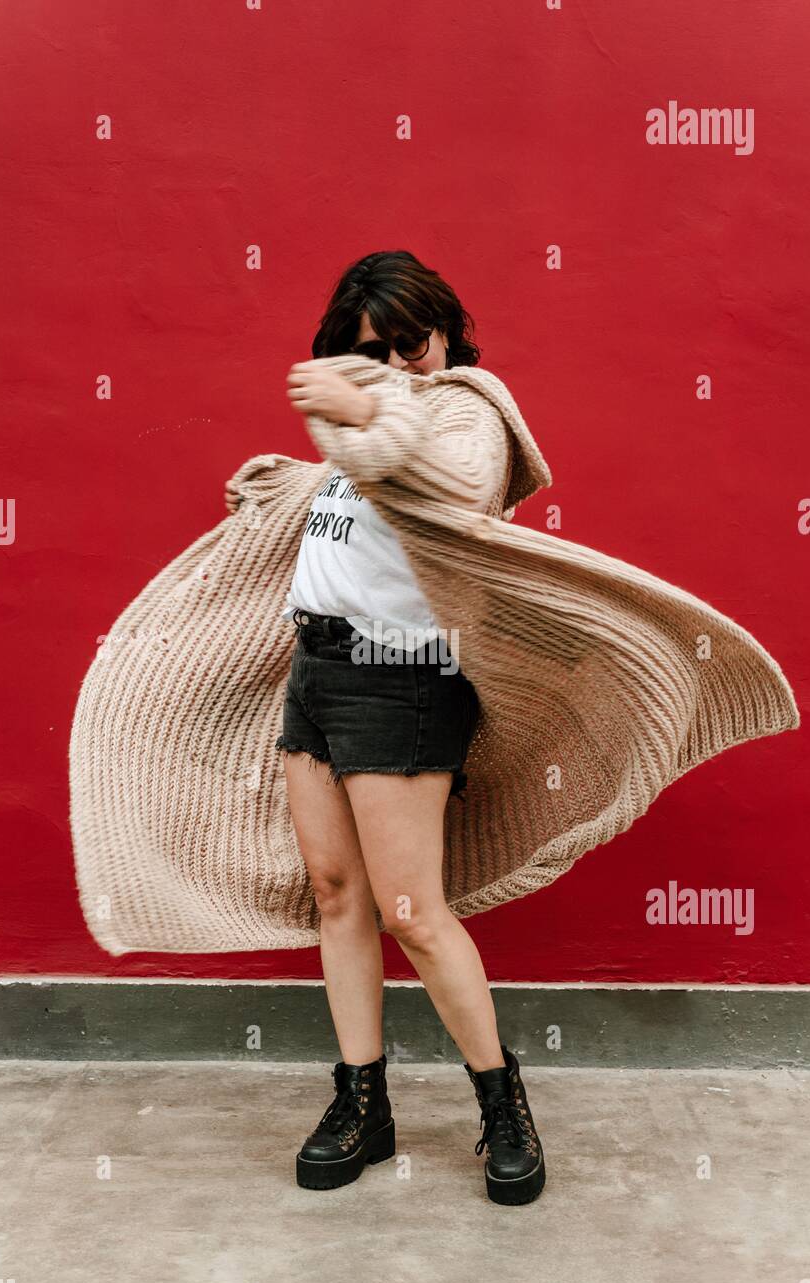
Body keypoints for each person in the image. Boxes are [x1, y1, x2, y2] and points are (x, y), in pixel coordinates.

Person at [277, 250, 545, 1205]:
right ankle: (363, 1102)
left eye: (408, 343)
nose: (395, 365)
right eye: (367, 352)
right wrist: (280, 483)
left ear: (442, 334)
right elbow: (354, 501)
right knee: (335, 894)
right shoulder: (358, 438)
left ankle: (501, 1101)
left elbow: (463, 485)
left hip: (403, 675)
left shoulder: (468, 408)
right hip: (317, 668)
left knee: (411, 913)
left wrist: (360, 406)